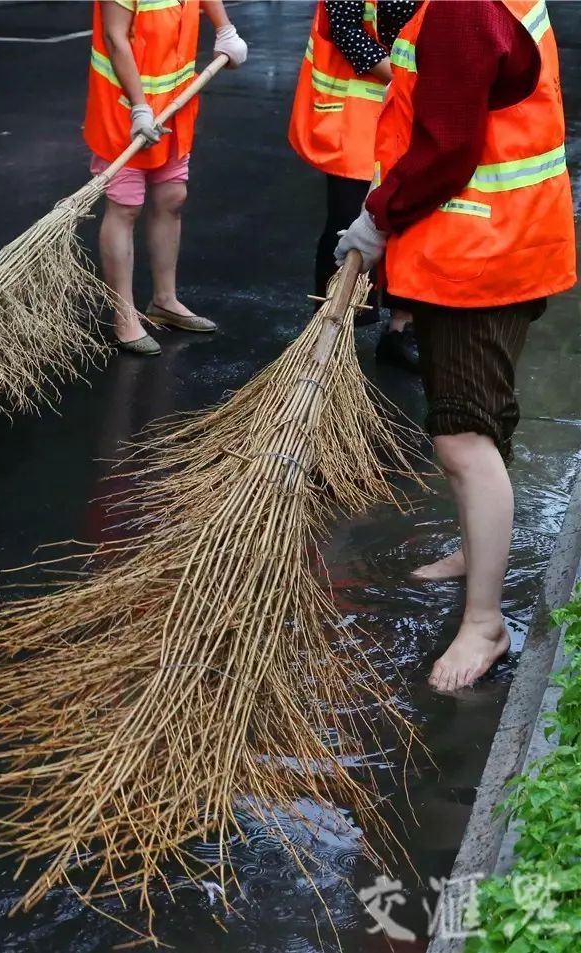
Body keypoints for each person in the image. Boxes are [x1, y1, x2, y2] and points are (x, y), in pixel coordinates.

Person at [336, 0, 576, 690]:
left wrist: (379, 217)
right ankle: (477, 553)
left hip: (479, 257)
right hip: (502, 245)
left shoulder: (463, 8)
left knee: (463, 438)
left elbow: (447, 146)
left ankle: (485, 623)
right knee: (481, 418)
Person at [84, 0, 247, 356]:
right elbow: (115, 37)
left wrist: (225, 29)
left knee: (172, 197)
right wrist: (140, 106)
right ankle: (124, 317)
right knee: (125, 207)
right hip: (125, 109)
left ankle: (165, 301)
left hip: (174, 104)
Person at [288, 0, 419, 372]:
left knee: (409, 218)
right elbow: (348, 32)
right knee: (348, 220)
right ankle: (329, 328)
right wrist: (407, 80)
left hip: (409, 105)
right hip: (356, 113)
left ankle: (401, 328)